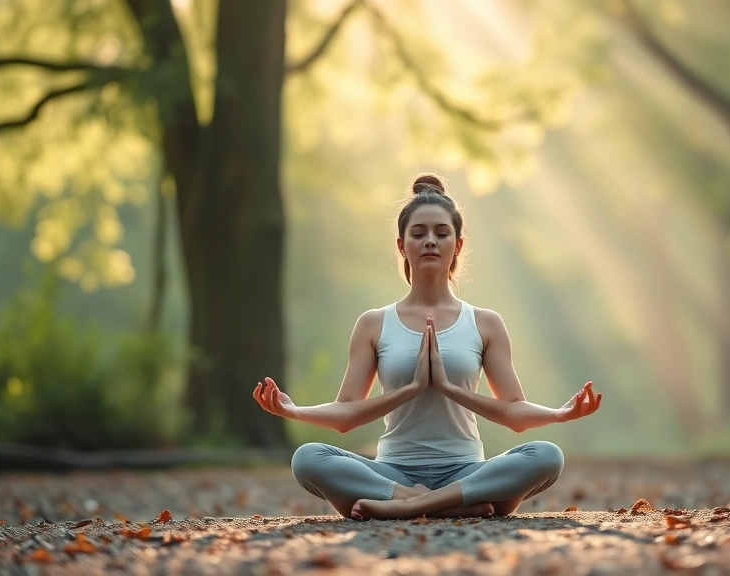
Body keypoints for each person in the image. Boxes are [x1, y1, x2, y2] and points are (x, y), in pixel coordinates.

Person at [252, 174, 602, 520]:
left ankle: (411, 506)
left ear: (458, 245)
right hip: (393, 473)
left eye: (441, 233)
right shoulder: (374, 323)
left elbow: (513, 413)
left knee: (546, 455)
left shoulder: (485, 323)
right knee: (308, 457)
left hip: (466, 472)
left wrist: (558, 414)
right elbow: (347, 415)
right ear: (402, 245)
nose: (430, 241)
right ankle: (434, 502)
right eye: (418, 234)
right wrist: (296, 410)